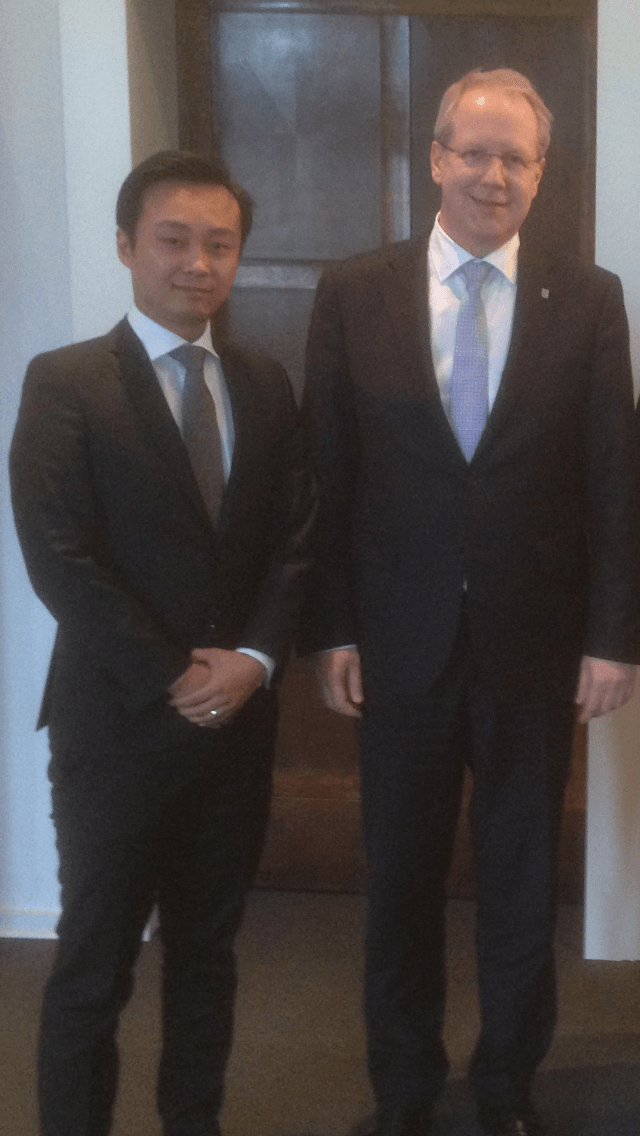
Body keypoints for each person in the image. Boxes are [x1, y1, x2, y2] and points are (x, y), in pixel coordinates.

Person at [301, 70, 637, 1136]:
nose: (494, 175)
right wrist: (332, 626)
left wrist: (614, 637)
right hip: (396, 644)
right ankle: (404, 1089)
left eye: (516, 158)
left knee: (522, 880)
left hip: (534, 647)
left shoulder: (590, 297)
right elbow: (327, 474)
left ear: (541, 172)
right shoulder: (354, 289)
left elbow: (614, 477)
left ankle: (504, 1088)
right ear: (437, 158)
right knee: (400, 880)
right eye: (475, 152)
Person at [10, 150, 314, 1136]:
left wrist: (255, 660)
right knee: (94, 962)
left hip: (236, 726)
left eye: (219, 244)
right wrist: (174, 673)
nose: (197, 262)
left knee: (208, 956)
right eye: (173, 240)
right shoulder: (66, 381)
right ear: (125, 246)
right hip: (116, 724)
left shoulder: (264, 383)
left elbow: (296, 540)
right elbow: (59, 555)